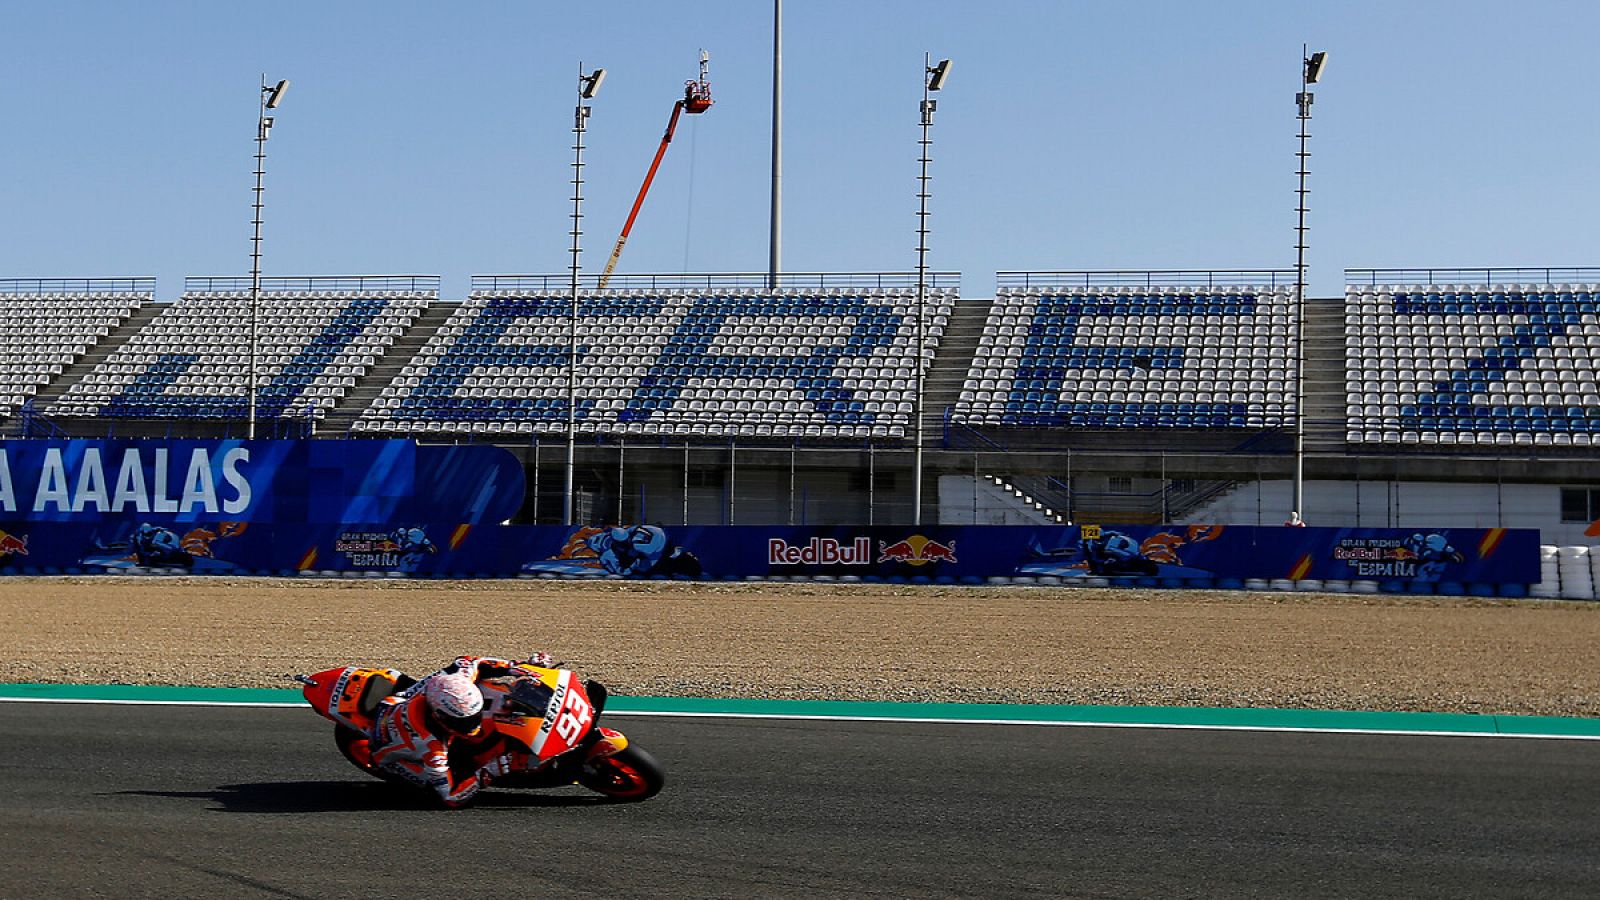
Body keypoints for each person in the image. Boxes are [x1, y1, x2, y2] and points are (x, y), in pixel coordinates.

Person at [369, 653, 552, 808]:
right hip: (390, 749)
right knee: (433, 783)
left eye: (475, 717)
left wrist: (518, 667)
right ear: (440, 717)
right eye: (465, 722)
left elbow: (474, 661)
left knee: (496, 694)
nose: (474, 725)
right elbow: (450, 797)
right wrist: (492, 770)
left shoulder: (459, 677)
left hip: (403, 700)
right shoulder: (433, 749)